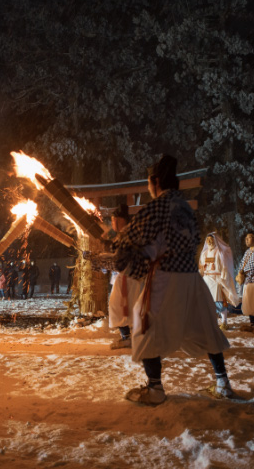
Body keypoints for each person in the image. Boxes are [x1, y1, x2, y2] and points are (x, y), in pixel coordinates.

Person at [115, 155, 232, 405]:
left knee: (144, 325)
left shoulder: (157, 206)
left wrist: (117, 248)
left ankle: (155, 389)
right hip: (191, 278)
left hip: (166, 277)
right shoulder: (185, 207)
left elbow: (133, 238)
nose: (148, 187)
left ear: (155, 181)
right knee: (205, 327)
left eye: (148, 182)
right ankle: (223, 382)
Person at [87, 203, 144, 350]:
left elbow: (118, 261)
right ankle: (128, 337)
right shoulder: (126, 235)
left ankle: (128, 338)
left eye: (114, 220)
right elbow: (114, 253)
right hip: (127, 276)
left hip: (127, 276)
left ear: (120, 220)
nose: (112, 223)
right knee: (123, 308)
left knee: (119, 307)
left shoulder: (128, 235)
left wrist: (98, 259)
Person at [199, 232, 239, 330]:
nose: (209, 241)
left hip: (216, 280)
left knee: (219, 302)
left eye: (211, 239)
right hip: (207, 279)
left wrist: (223, 278)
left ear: (215, 240)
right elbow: (201, 267)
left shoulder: (220, 252)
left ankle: (224, 322)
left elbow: (224, 267)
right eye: (207, 240)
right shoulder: (204, 254)